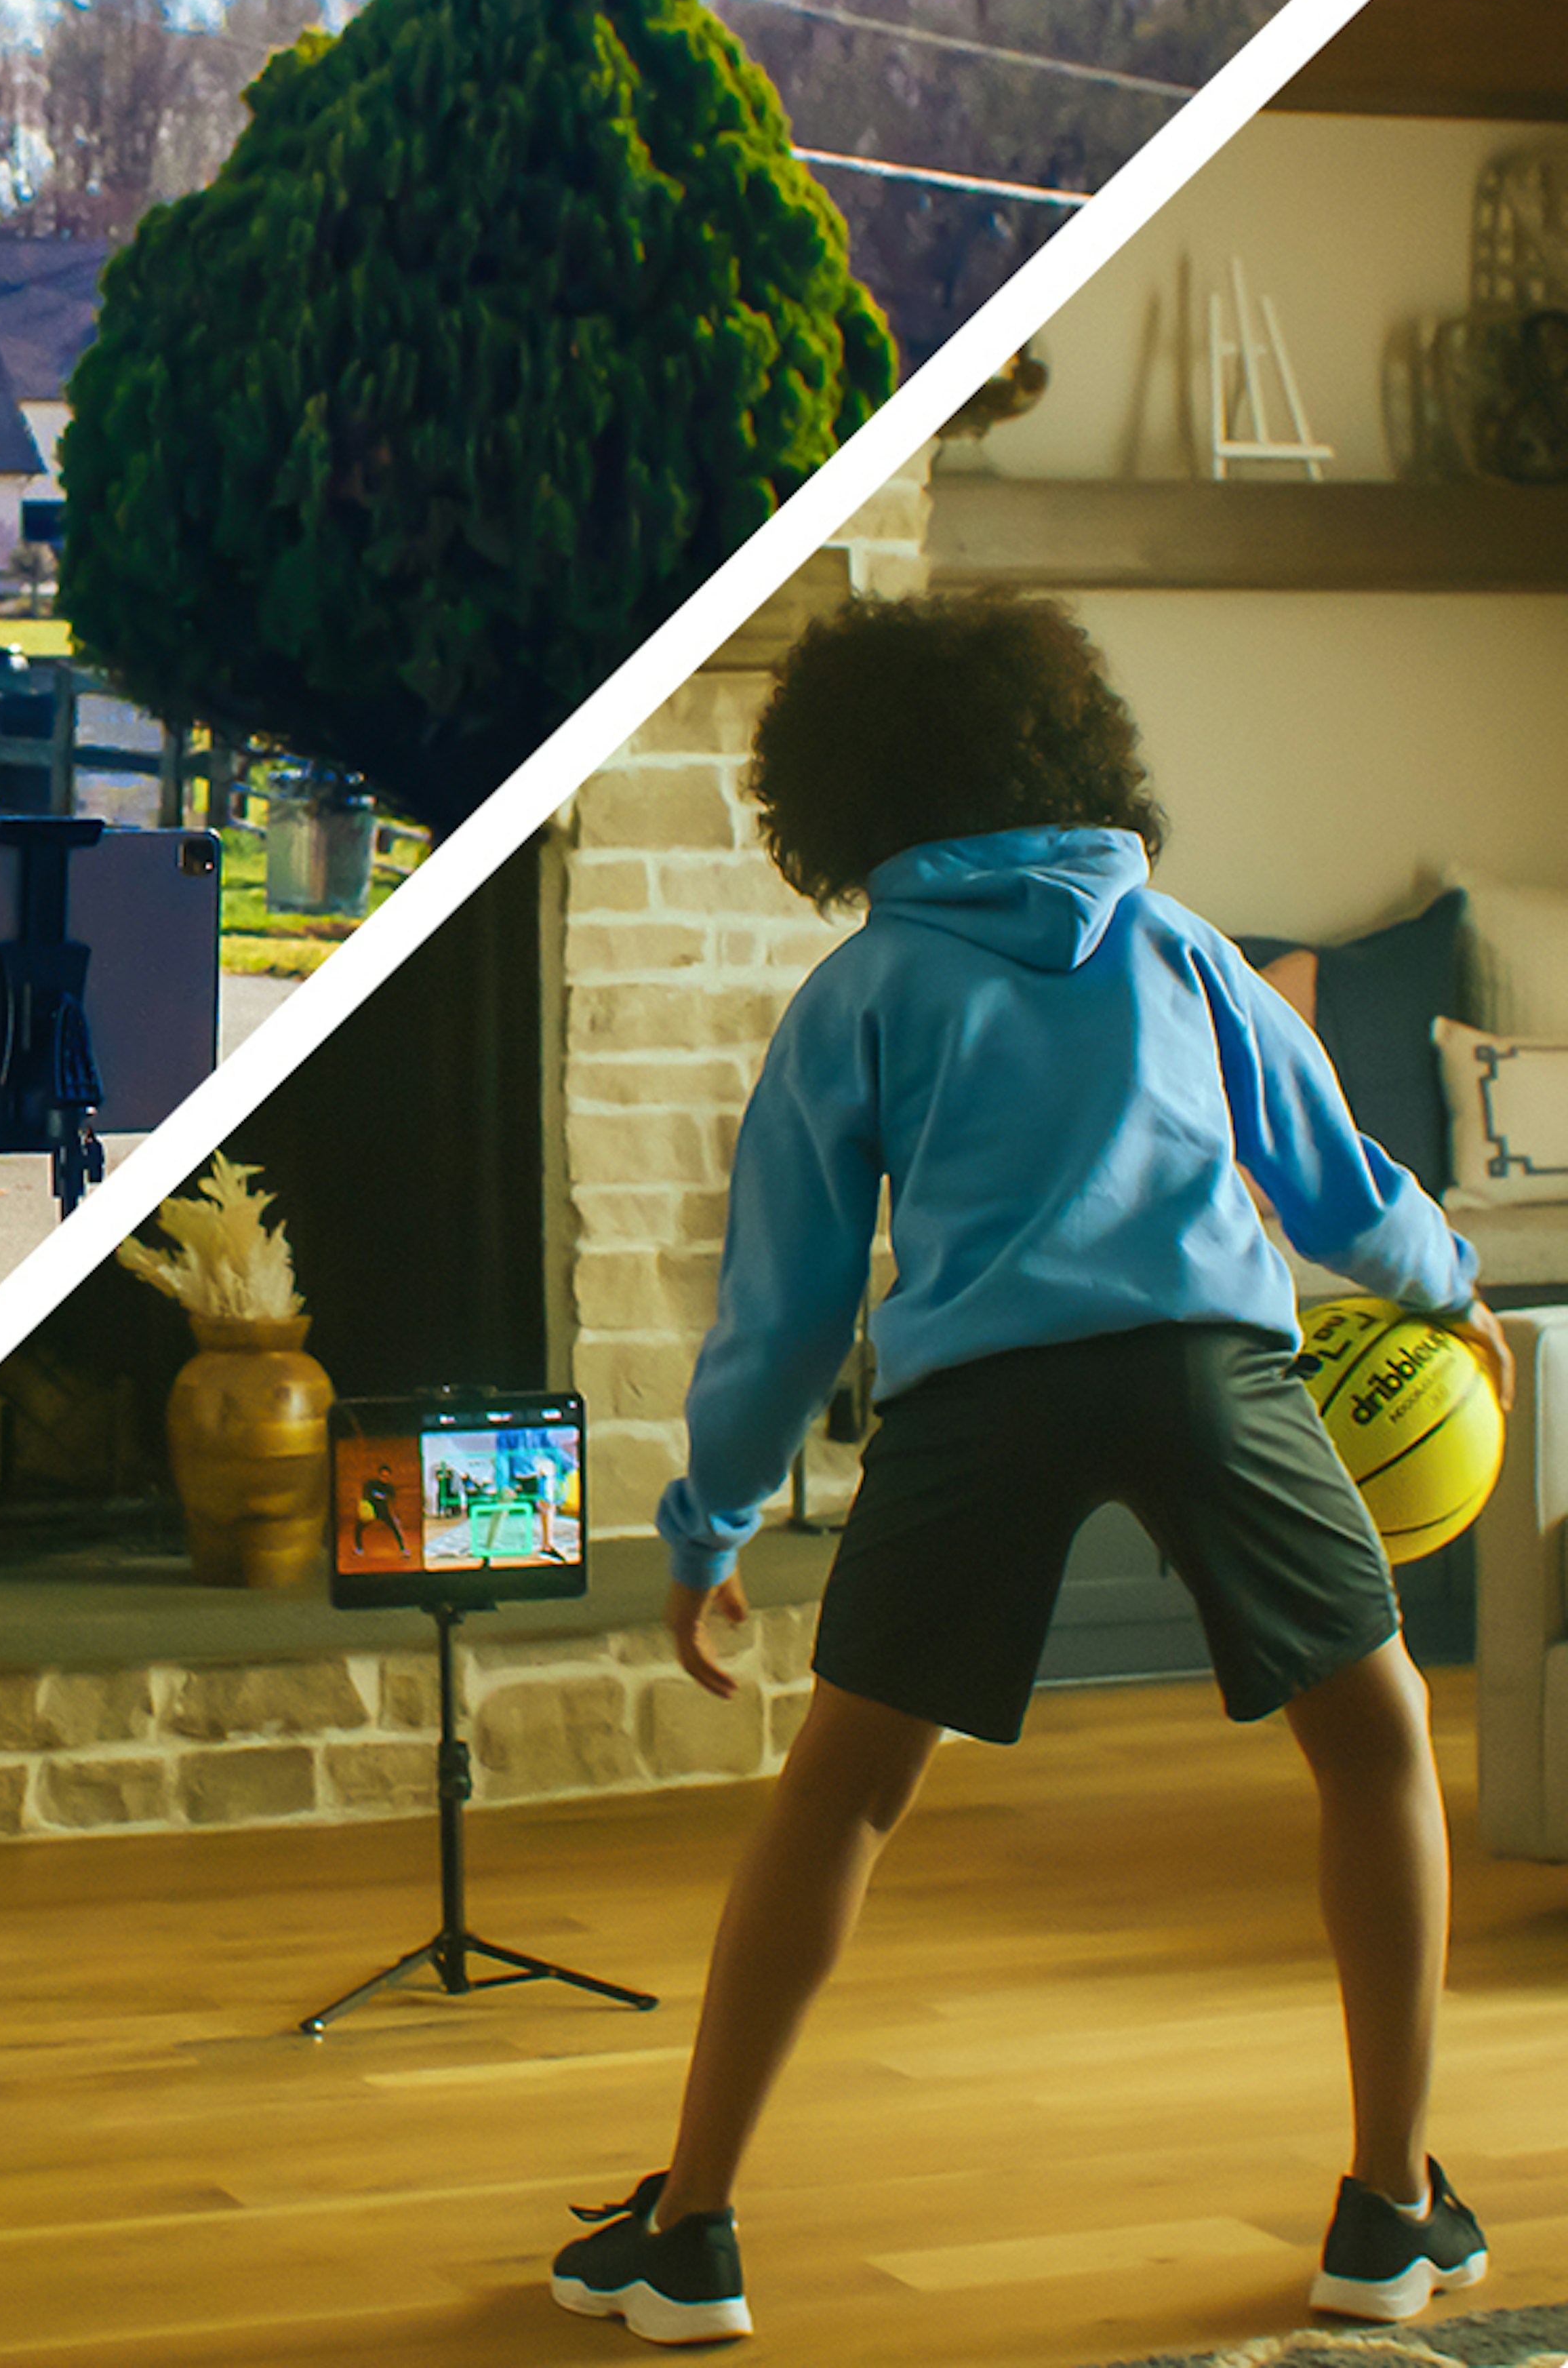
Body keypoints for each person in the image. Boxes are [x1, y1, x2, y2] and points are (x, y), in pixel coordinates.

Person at [550, 592, 1512, 2346]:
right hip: (1208, 1370)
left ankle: (691, 2234)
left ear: (841, 799)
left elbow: (781, 1309)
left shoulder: (860, 994)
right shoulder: (1180, 949)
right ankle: (1389, 2210)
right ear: (1073, 751)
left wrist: (709, 1525)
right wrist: (1451, 1285)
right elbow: (1330, 1168)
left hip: (975, 1403)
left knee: (840, 1793)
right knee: (1376, 1747)